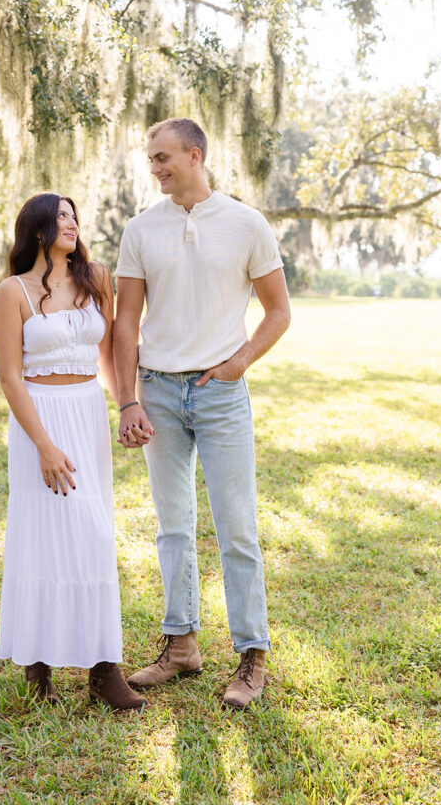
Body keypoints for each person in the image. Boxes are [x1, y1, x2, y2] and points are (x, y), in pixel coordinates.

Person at [113, 118, 290, 710]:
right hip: (158, 393)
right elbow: (125, 325)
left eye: (163, 157)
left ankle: (252, 657)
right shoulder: (140, 230)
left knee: (237, 527)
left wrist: (240, 361)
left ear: (195, 154)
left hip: (221, 394)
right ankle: (181, 645)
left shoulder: (245, 224)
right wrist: (129, 398)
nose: (155, 167)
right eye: (151, 159)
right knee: (173, 526)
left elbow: (278, 311)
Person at [0, 192, 147, 712]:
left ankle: (105, 671)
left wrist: (130, 405)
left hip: (86, 414)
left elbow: (108, 354)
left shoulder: (95, 277)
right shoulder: (12, 292)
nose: (71, 223)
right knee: (43, 536)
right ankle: (40, 669)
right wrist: (43, 445)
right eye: (60, 216)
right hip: (40, 418)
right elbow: (10, 379)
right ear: (37, 229)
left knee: (93, 533)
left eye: (73, 215)